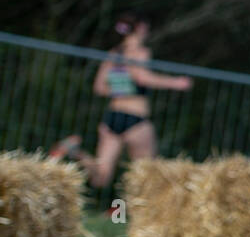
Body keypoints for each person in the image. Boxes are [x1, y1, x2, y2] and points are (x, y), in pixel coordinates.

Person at [49, 12, 192, 187]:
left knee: (101, 177)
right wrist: (176, 83)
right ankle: (135, 209)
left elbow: (99, 87)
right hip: (136, 119)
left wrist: (122, 88)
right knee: (147, 174)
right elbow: (143, 78)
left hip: (113, 116)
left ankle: (76, 153)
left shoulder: (113, 53)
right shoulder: (141, 52)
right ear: (140, 28)